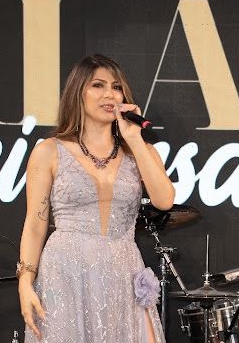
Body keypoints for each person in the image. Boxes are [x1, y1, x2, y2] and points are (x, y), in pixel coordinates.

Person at [18, 54, 175, 342]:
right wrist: (25, 282)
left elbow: (164, 200)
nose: (109, 95)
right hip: (66, 271)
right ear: (78, 92)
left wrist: (134, 138)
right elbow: (35, 224)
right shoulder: (49, 151)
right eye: (98, 85)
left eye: (116, 87)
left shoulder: (140, 151)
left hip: (122, 269)